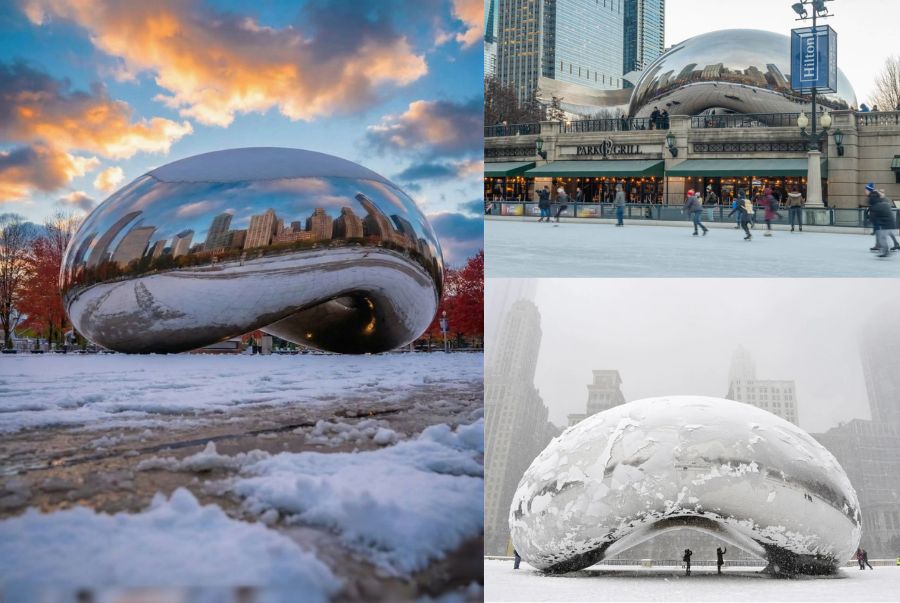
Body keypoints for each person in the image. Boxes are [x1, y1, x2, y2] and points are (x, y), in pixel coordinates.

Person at [866, 183, 896, 257]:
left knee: (882, 237)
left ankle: (886, 251)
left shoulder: (875, 205)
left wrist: (869, 220)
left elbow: (873, 218)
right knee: (883, 236)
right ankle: (888, 248)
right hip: (890, 223)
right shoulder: (883, 203)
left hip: (885, 224)